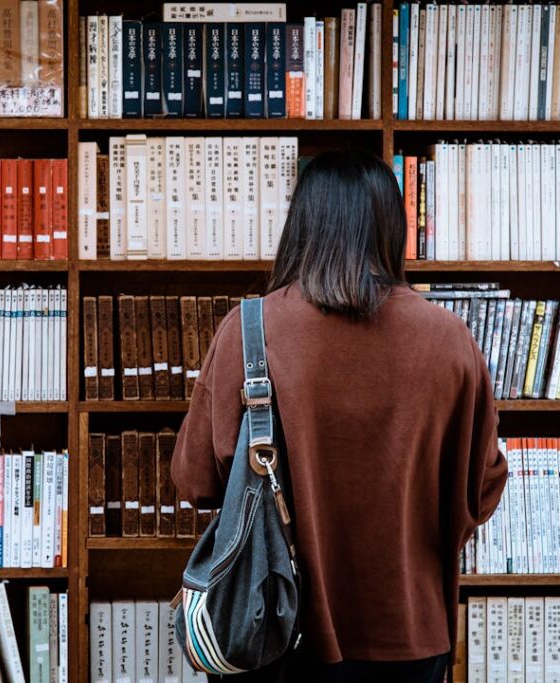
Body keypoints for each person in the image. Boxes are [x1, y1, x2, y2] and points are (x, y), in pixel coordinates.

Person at [170, 150, 508, 683]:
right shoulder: (449, 340)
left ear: (301, 225)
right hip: (411, 633)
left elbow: (196, 482)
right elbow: (482, 490)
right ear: (392, 229)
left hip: (273, 629)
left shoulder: (248, 329)